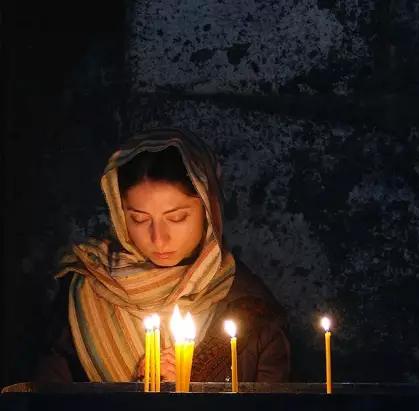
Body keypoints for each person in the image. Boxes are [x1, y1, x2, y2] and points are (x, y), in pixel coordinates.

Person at [35, 127, 290, 383]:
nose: (159, 238)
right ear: (119, 215)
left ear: (209, 210)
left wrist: (190, 387)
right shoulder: (87, 289)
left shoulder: (251, 307)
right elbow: (49, 398)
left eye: (176, 217)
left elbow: (273, 402)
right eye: (139, 219)